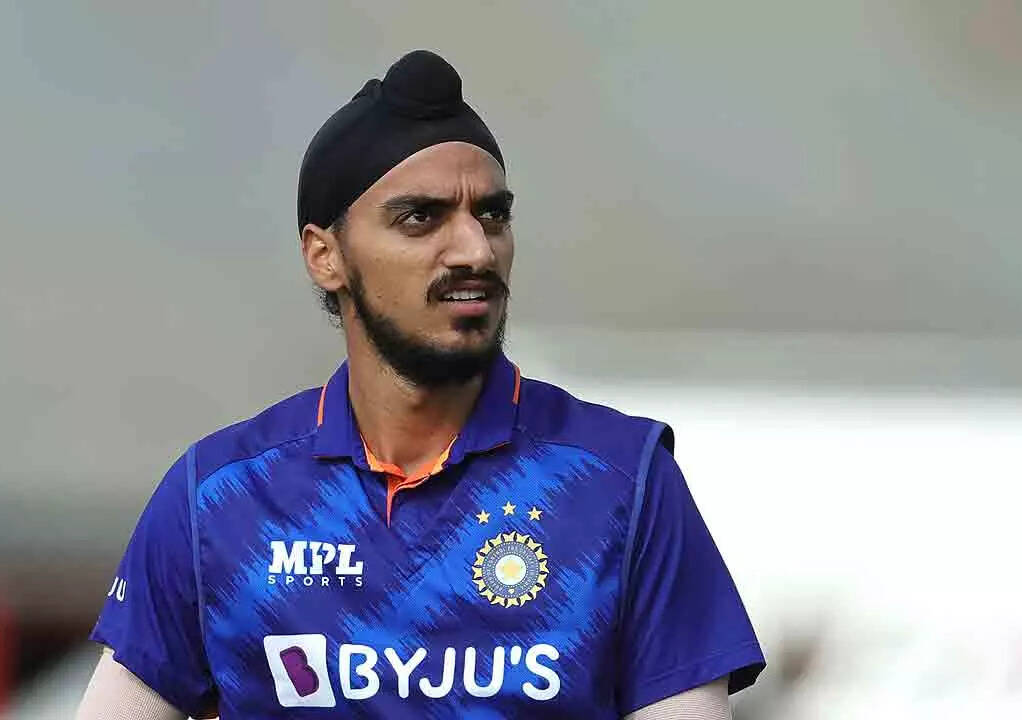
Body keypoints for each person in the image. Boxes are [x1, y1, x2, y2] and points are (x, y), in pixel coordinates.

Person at [76, 49, 764, 720]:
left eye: (492, 215)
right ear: (325, 256)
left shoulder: (623, 481)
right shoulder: (219, 496)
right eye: (421, 218)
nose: (475, 250)